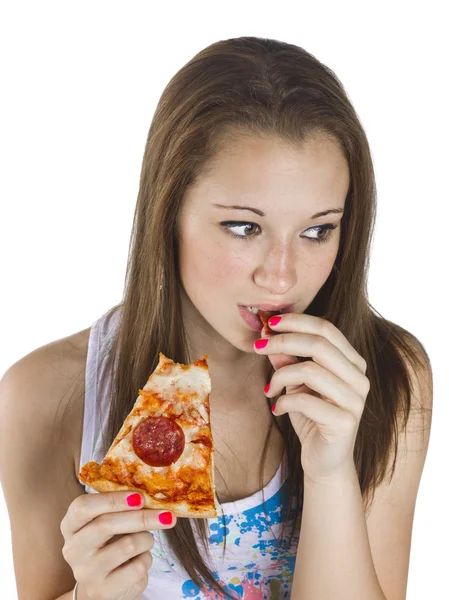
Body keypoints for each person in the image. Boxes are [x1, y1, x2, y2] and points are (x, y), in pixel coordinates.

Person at [0, 36, 433, 600]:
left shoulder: (387, 377)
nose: (281, 277)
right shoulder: (46, 394)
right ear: (168, 209)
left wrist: (330, 475)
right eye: (245, 227)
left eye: (317, 229)